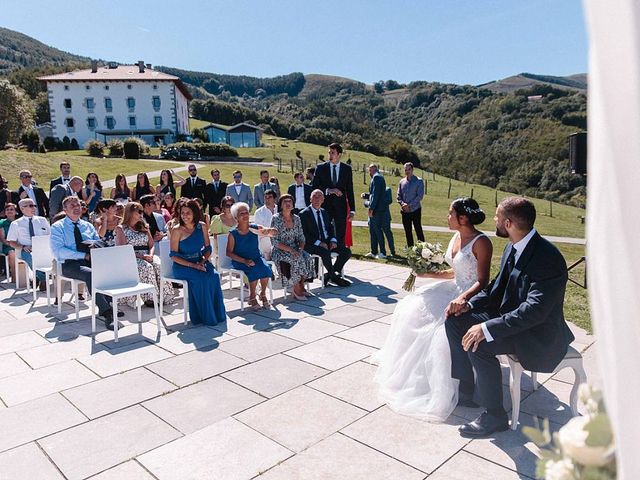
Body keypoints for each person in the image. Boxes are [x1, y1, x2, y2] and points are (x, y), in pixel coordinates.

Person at [445, 197, 574, 437]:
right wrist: (467, 303)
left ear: (508, 222)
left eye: (496, 217)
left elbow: (534, 311)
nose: (493, 220)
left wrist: (486, 328)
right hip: (512, 319)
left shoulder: (547, 258)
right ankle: (466, 388)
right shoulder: (512, 246)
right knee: (454, 321)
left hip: (536, 334)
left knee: (478, 342)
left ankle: (495, 416)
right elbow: (496, 289)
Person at [373, 198, 492, 421]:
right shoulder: (456, 236)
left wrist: (462, 298)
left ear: (463, 218)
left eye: (450, 213)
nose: (447, 217)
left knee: (439, 332)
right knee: (411, 308)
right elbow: (455, 271)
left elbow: (482, 280)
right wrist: (428, 275)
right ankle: (417, 374)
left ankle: (456, 385)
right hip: (453, 287)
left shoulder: (481, 242)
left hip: (470, 295)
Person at [50, 195, 123, 329]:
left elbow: (98, 241)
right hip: (70, 264)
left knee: (107, 271)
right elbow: (58, 251)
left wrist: (96, 246)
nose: (76, 208)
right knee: (91, 274)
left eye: (78, 205)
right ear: (65, 210)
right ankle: (107, 312)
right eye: (72, 206)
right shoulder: (57, 227)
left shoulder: (87, 225)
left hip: (91, 260)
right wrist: (83, 255)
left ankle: (111, 304)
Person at [170, 199, 226, 325]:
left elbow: (208, 248)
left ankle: (216, 314)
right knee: (201, 280)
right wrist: (193, 265)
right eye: (182, 213)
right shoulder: (177, 230)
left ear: (195, 213)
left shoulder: (202, 226)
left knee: (214, 276)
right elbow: (173, 256)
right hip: (182, 266)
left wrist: (202, 261)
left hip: (200, 262)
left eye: (188, 212)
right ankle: (203, 317)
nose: (184, 215)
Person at [115, 202, 175, 308]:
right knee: (146, 267)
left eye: (142, 211)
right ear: (130, 212)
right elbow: (123, 250)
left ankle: (165, 295)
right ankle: (151, 298)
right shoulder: (121, 228)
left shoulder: (144, 226)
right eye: (139, 211)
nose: (141, 214)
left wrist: (151, 255)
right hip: (131, 257)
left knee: (159, 264)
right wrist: (142, 257)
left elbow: (151, 245)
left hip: (147, 254)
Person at [226, 202, 275, 309]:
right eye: (241, 213)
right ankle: (252, 296)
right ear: (236, 217)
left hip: (256, 257)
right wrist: (244, 261)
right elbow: (228, 252)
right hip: (240, 260)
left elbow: (270, 233)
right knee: (254, 270)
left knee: (266, 269)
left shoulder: (254, 228)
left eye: (246, 212)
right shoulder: (233, 233)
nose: (245, 215)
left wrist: (271, 231)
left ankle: (262, 294)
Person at [299, 189, 351, 287]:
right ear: (310, 199)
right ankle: (335, 278)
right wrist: (319, 243)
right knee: (324, 252)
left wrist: (333, 240)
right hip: (311, 244)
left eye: (320, 196)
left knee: (346, 251)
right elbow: (304, 234)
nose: (317, 199)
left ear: (323, 199)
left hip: (327, 242)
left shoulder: (324, 212)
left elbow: (331, 228)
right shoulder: (303, 214)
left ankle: (330, 274)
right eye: (315, 196)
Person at [270, 194, 315, 300]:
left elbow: (301, 237)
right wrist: (291, 250)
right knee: (296, 258)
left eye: (290, 201)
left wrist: (300, 249)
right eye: (285, 201)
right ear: (280, 205)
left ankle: (302, 285)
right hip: (280, 250)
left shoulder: (297, 218)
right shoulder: (276, 219)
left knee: (307, 257)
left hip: (295, 248)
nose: (288, 203)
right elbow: (274, 241)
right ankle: (296, 288)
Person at [311, 143, 355, 247]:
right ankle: (326, 252)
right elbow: (315, 187)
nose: (330, 155)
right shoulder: (321, 168)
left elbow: (350, 190)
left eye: (333, 153)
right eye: (329, 153)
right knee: (325, 229)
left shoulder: (347, 169)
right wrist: (329, 190)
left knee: (340, 231)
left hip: (341, 206)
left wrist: (352, 210)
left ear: (339, 155)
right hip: (325, 206)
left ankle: (339, 252)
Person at [7, 198, 52, 290]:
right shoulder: (16, 224)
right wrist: (22, 247)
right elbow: (11, 242)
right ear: (22, 208)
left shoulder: (42, 220)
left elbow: (50, 236)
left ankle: (36, 277)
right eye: (30, 206)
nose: (34, 208)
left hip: (43, 248)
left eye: (34, 205)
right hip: (26, 250)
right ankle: (43, 278)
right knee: (30, 257)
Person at [362, 164, 395, 258]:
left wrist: (371, 208)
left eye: (370, 170)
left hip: (376, 210)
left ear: (373, 170)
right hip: (377, 208)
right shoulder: (378, 177)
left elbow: (375, 195)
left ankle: (383, 252)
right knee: (372, 230)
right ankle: (373, 251)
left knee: (377, 231)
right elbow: (374, 194)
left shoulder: (376, 178)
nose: (369, 172)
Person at [397, 162, 425, 247]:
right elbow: (398, 195)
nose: (407, 171)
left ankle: (423, 251)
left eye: (409, 169)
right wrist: (403, 204)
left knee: (418, 230)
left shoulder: (419, 181)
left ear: (412, 170)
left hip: (415, 210)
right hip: (405, 211)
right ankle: (411, 251)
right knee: (408, 231)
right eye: (405, 169)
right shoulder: (402, 182)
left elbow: (419, 196)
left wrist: (409, 205)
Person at [253, 189, 277, 260]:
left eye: (269, 197)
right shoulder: (259, 212)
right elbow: (260, 231)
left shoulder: (280, 209)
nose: (267, 199)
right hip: (265, 239)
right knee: (266, 241)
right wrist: (272, 233)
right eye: (265, 197)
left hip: (280, 238)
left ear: (274, 199)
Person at [0, 203, 17, 281]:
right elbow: (3, 239)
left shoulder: (19, 222)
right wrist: (13, 245)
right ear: (5, 212)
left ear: (16, 212)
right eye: (7, 210)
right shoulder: (2, 222)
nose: (9, 211)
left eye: (11, 209)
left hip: (20, 244)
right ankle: (14, 276)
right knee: (12, 252)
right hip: (8, 246)